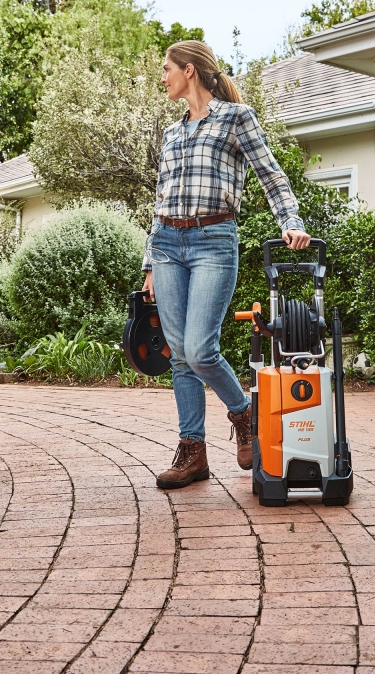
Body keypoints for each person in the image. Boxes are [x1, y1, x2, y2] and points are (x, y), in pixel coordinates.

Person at [142, 40, 311, 490]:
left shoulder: (237, 119)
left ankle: (243, 414)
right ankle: (192, 451)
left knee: (199, 348)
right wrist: (150, 265)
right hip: (166, 243)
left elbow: (272, 175)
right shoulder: (172, 133)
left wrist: (291, 222)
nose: (163, 77)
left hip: (213, 240)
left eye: (167, 69)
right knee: (180, 356)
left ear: (189, 71)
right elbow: (160, 200)